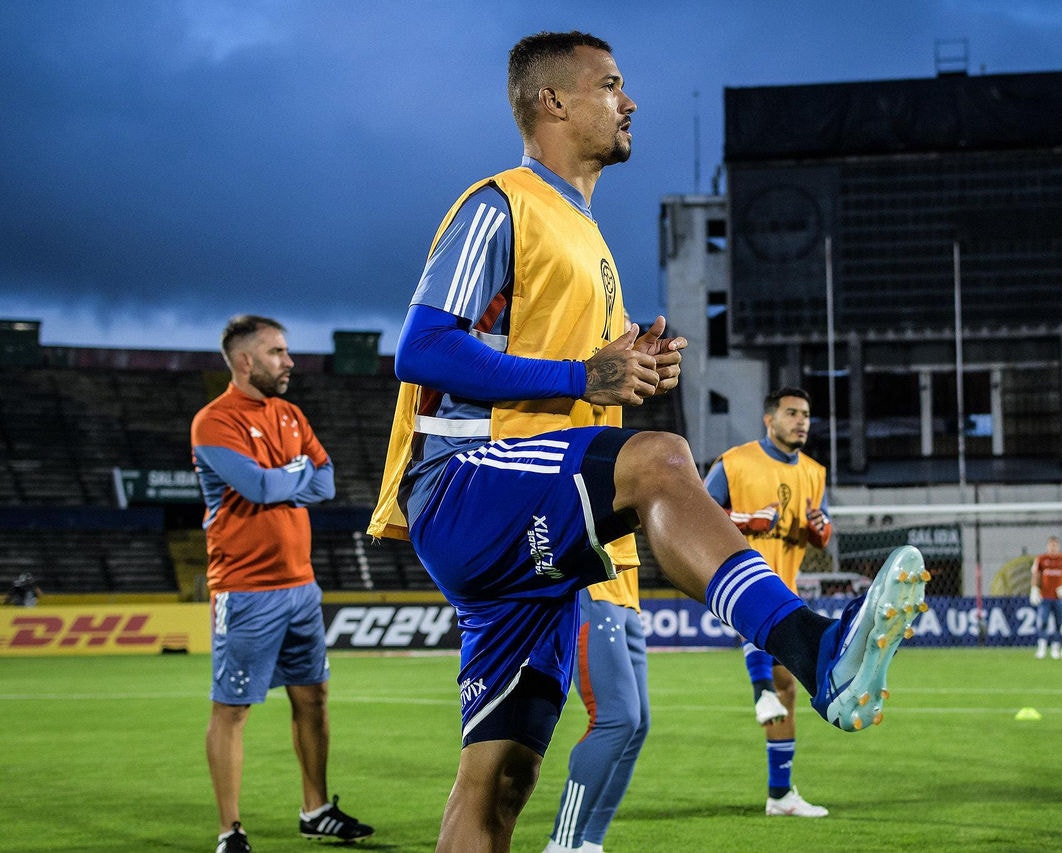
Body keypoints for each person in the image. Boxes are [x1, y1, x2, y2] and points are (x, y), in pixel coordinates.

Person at [368, 31, 927, 852]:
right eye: (611, 85)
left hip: (530, 537)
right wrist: (581, 379)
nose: (629, 102)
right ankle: (816, 649)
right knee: (663, 459)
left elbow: (571, 366)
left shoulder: (588, 236)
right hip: (468, 486)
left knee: (499, 781)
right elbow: (419, 348)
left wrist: (629, 365)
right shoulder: (500, 203)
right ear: (552, 101)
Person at [192, 315, 374, 852]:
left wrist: (284, 479)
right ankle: (231, 831)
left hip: (301, 586)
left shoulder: (291, 414)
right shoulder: (213, 421)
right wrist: (291, 477)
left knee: (313, 698)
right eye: (277, 352)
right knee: (232, 710)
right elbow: (260, 486)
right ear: (245, 361)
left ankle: (315, 810)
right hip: (245, 589)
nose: (289, 361)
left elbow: (327, 480)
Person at [703, 387, 834, 818]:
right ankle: (760, 690)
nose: (802, 422)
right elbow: (694, 514)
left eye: (807, 415)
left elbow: (823, 528)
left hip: (787, 591)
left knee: (786, 691)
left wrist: (820, 529)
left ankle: (780, 795)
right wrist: (743, 519)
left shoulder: (814, 472)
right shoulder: (734, 463)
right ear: (769, 419)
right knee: (773, 671)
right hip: (734, 583)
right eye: (792, 413)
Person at [543, 540, 647, 853]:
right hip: (592, 587)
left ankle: (590, 842)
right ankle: (562, 843)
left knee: (636, 726)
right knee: (615, 719)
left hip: (624, 594)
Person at [1029, 536, 1062, 659]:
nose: (1053, 548)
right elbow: (1035, 575)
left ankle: (1055, 647)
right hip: (1045, 596)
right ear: (1047, 546)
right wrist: (1034, 589)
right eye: (1051, 545)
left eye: (1055, 545)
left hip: (1059, 597)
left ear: (1058, 547)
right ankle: (1042, 647)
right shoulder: (1041, 559)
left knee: (1059, 622)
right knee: (1043, 621)